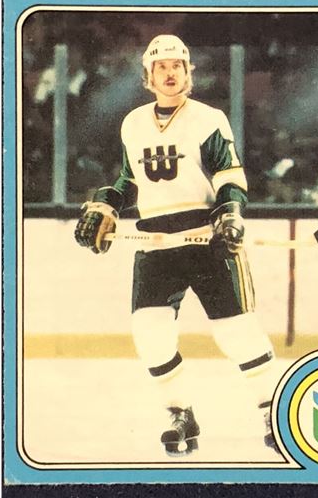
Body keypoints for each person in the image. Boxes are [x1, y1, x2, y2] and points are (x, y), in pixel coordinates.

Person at [74, 35, 279, 457]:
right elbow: (131, 180)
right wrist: (108, 203)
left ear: (189, 73)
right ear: (148, 77)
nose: (169, 73)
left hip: (206, 238)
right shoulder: (133, 123)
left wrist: (229, 214)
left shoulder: (207, 118)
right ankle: (180, 414)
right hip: (155, 242)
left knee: (237, 333)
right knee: (150, 334)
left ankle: (273, 412)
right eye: (161, 67)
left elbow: (228, 173)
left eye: (177, 66)